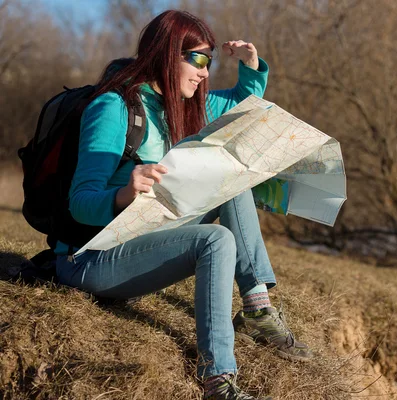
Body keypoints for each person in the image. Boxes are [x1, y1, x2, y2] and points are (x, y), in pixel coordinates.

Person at [55, 10, 311, 400]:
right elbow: (80, 205)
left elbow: (244, 104)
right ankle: (219, 382)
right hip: (89, 257)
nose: (206, 72)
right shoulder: (114, 108)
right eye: (199, 59)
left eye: (211, 60)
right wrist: (124, 193)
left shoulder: (184, 105)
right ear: (166, 54)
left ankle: (258, 309)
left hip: (141, 238)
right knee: (215, 241)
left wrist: (252, 66)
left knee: (233, 181)